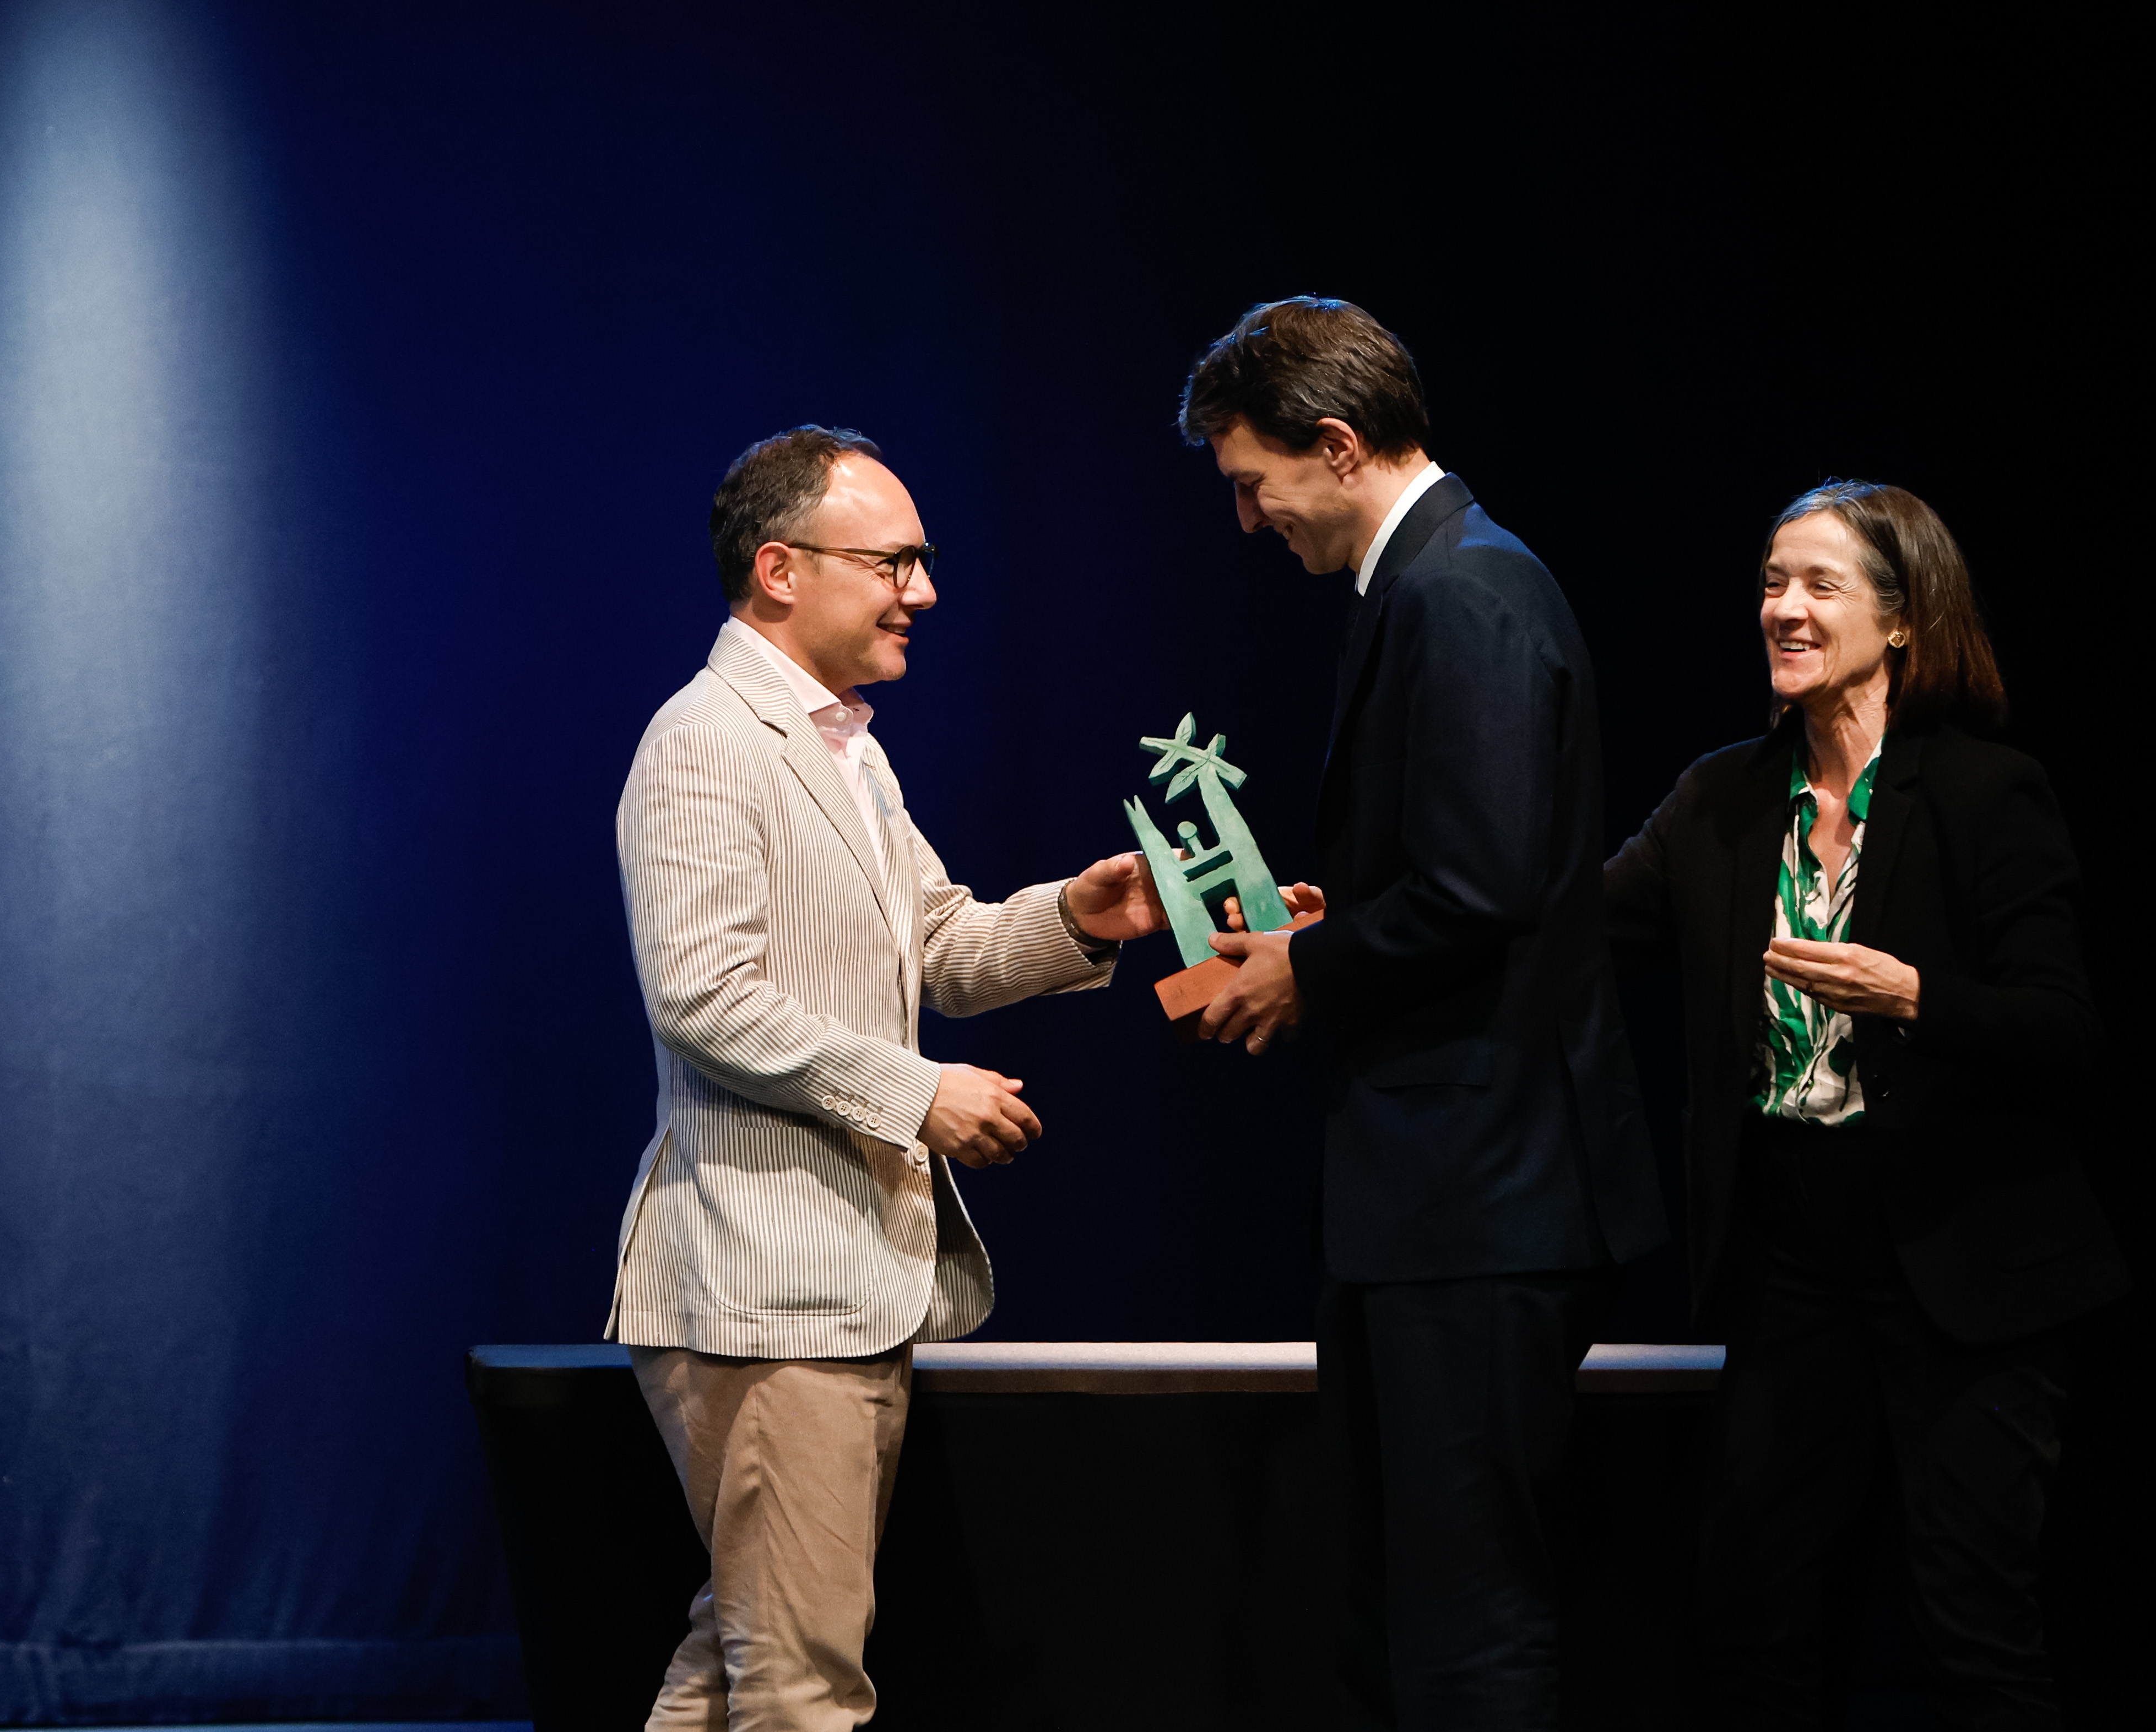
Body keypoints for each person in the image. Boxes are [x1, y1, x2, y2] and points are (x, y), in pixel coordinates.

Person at [610, 425, 1164, 1731]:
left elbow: (938, 945)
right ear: (780, 568)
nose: (923, 591)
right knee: (800, 1685)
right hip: (763, 1290)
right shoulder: (708, 740)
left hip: (835, 1287)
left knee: (736, 1664)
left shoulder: (846, 748)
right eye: (893, 563)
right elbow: (702, 994)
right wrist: (917, 1094)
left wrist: (1077, 918)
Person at [1179, 297, 1669, 1729]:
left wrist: (1306, 970)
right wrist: (1334, 924)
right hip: (1447, 1197)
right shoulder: (1432, 583)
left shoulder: (1461, 590)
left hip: (1482, 1196)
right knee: (1406, 1610)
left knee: (1466, 1623)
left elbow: (1486, 885)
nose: (1247, 520)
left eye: (1252, 484)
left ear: (1336, 446)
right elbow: (1471, 871)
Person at [1604, 480, 2129, 1727]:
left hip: (1963, 1260)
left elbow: (2064, 1030)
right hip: (1791, 1258)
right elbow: (1565, 937)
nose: (1782, 608)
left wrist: (1914, 996)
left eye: (1818, 585)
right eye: (1770, 583)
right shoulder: (1720, 798)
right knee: (1755, 1619)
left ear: (1899, 620)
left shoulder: (1985, 792)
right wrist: (1362, 931)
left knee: (1970, 1628)